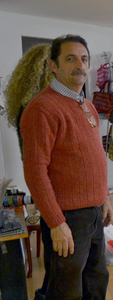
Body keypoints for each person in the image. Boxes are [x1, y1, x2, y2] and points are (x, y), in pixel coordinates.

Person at [20, 34, 113, 300]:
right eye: (70, 58)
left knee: (96, 280)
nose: (80, 65)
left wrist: (104, 196)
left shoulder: (87, 106)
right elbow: (35, 171)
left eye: (84, 59)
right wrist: (56, 222)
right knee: (65, 289)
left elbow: (93, 157)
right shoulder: (42, 108)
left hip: (94, 214)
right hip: (68, 218)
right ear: (53, 65)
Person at [3, 43, 54, 300]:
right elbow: (38, 164)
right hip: (54, 191)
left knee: (60, 262)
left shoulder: (33, 105)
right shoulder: (37, 109)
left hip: (50, 190)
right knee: (60, 262)